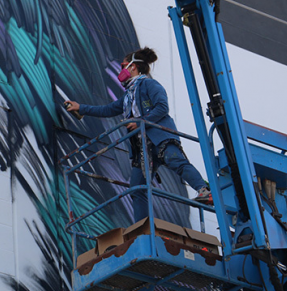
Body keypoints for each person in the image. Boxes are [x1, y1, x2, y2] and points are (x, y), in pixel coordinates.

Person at [65, 47, 212, 222]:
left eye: (123, 65)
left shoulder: (149, 84)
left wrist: (141, 120)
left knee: (176, 161)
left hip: (159, 138)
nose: (121, 70)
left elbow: (162, 107)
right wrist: (81, 108)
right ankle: (141, 228)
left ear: (133, 66)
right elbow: (108, 109)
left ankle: (204, 191)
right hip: (142, 149)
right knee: (137, 188)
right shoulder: (129, 95)